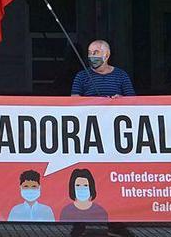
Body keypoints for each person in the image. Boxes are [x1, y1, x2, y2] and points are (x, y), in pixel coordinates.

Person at [69, 40, 135, 237]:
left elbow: (134, 101)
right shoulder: (82, 76)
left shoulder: (121, 75)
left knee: (113, 177)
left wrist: (119, 101)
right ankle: (80, 222)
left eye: (96, 52)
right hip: (88, 136)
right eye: (89, 52)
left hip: (114, 138)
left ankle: (116, 223)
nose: (92, 56)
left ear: (106, 55)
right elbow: (73, 101)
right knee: (86, 176)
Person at [59, 168, 108, 232]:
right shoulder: (65, 211)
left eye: (85, 185)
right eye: (78, 185)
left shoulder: (101, 211)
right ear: (72, 187)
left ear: (91, 187)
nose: (81, 188)